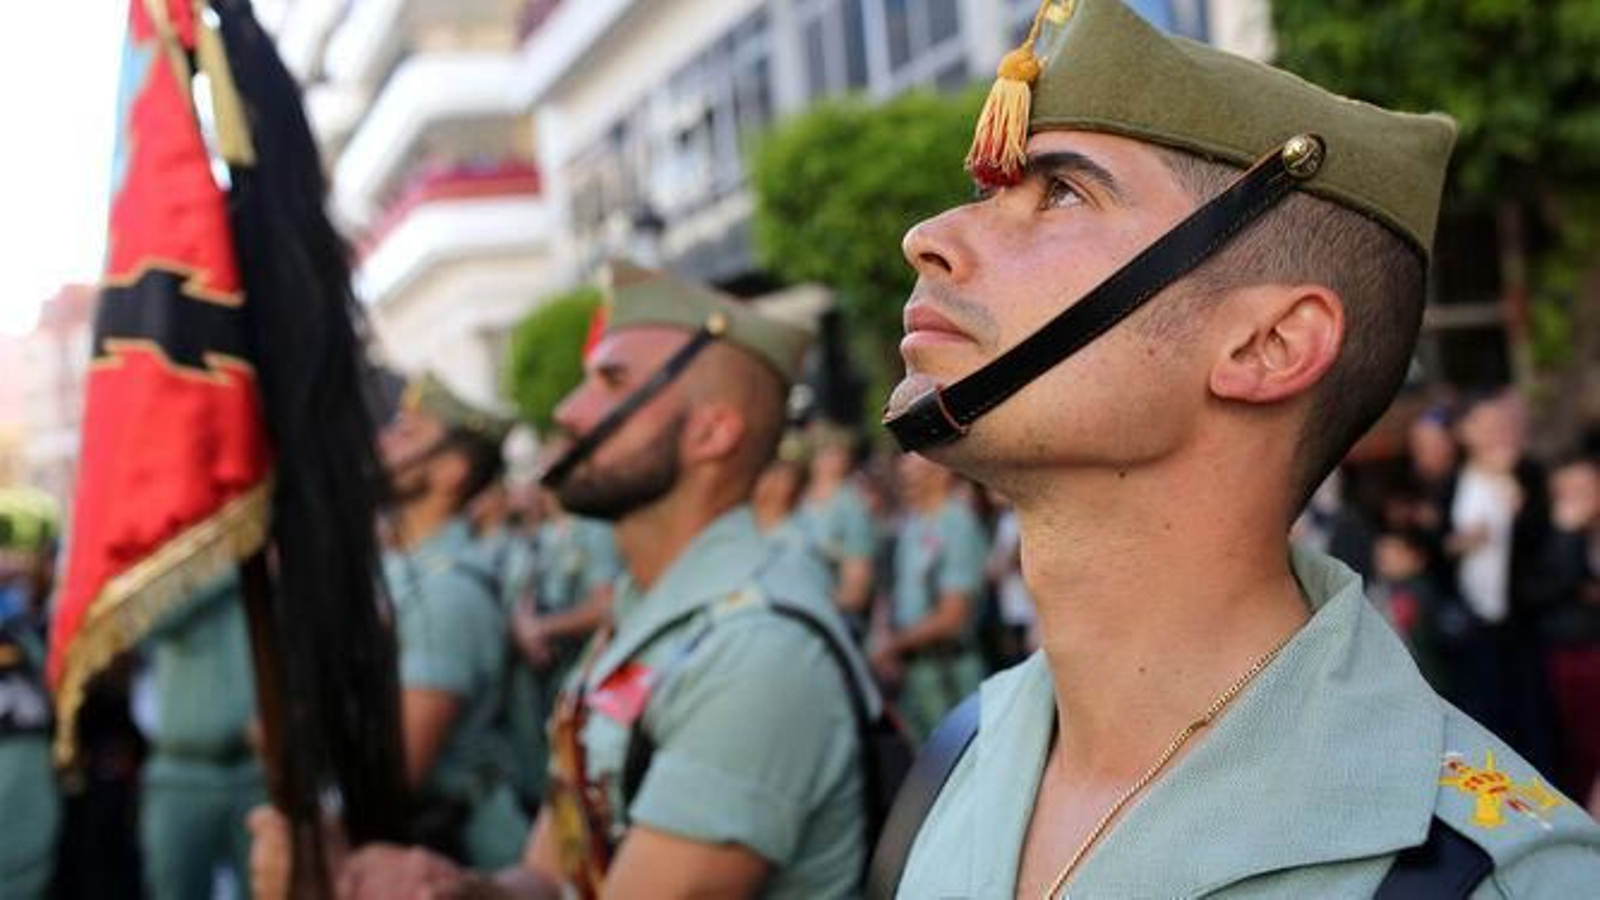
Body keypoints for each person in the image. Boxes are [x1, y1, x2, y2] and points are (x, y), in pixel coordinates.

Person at [876, 1, 1600, 895]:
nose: (930, 236)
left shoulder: (1492, 876)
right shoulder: (960, 759)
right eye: (994, 193)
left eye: (1063, 191)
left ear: (1270, 346)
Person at [252, 262, 874, 898]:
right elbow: (549, 878)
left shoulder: (754, 651)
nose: (570, 412)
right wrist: (449, 890)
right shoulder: (643, 618)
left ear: (713, 431)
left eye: (612, 382)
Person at [378, 373, 528, 868]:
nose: (384, 441)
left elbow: (397, 774)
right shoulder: (408, 569)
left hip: (457, 851)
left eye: (407, 434)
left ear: (451, 472)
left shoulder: (445, 594)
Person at [136, 573, 265, 900]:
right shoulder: (183, 563)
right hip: (181, 772)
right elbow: (149, 619)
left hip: (254, 770)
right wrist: (229, 565)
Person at [504, 487, 620, 811]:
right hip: (543, 677)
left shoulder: (593, 528)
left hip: (581, 672)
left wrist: (541, 628)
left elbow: (606, 605)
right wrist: (525, 627)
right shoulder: (544, 534)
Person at [873, 453, 988, 740]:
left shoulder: (957, 523)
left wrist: (892, 646)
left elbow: (953, 616)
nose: (905, 473)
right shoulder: (910, 524)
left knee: (958, 765)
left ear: (942, 472)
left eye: (915, 467)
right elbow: (895, 592)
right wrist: (885, 635)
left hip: (949, 673)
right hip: (913, 675)